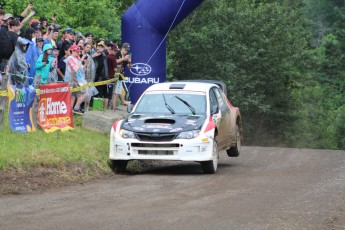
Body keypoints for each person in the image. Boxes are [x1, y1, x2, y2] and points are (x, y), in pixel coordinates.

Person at [64, 45, 88, 113]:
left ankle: (71, 111)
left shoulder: (76, 59)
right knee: (83, 93)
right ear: (72, 51)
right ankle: (75, 107)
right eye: (77, 52)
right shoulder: (70, 58)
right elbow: (75, 69)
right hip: (70, 81)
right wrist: (81, 60)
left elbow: (82, 69)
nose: (78, 53)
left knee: (73, 96)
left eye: (79, 52)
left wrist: (85, 63)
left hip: (76, 81)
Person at [114, 42, 132, 108]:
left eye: (127, 50)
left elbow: (130, 67)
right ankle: (113, 107)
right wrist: (123, 59)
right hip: (115, 75)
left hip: (121, 76)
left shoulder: (126, 56)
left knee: (119, 92)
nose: (126, 52)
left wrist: (129, 61)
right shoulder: (117, 53)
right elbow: (115, 61)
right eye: (125, 50)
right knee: (115, 93)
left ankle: (122, 102)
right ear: (122, 48)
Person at [106, 45, 118, 110]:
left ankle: (106, 107)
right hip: (110, 77)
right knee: (110, 94)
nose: (115, 52)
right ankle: (108, 108)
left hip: (105, 77)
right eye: (114, 50)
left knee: (106, 93)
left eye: (116, 51)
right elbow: (115, 69)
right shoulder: (113, 58)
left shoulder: (106, 56)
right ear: (111, 50)